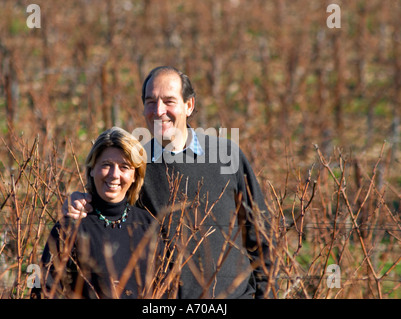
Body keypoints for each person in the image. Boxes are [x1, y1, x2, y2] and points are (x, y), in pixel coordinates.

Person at [64, 66, 275, 299]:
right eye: (150, 101)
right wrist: (81, 202)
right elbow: (108, 212)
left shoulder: (227, 156)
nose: (159, 111)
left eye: (169, 101)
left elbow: (261, 234)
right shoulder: (135, 166)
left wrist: (266, 294)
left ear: (189, 105)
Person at [41, 127, 163, 299]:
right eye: (106, 165)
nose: (114, 175)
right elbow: (44, 290)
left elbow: (165, 290)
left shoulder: (148, 225)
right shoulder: (70, 227)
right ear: (92, 168)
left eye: (124, 167)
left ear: (135, 175)